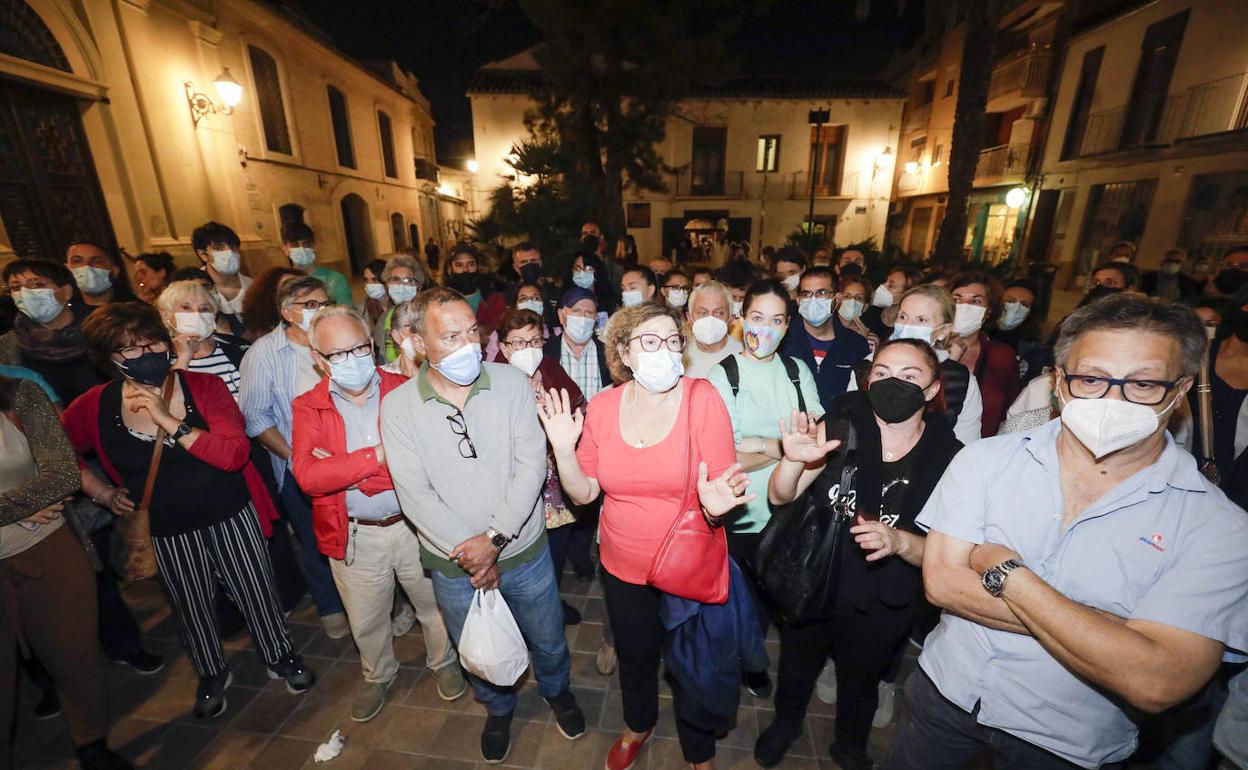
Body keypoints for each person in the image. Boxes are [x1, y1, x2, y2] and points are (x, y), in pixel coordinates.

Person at [886, 293, 1248, 770]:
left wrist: (1007, 572)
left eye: (1142, 384)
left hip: (1069, 741)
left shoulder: (1217, 526)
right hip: (945, 697)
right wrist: (1113, 634)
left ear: (1180, 391)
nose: (1111, 399)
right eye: (1091, 379)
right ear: (1059, 382)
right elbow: (944, 584)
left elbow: (1156, 680)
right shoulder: (986, 461)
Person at [64, 303, 315, 720]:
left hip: (230, 514)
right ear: (107, 358)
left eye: (154, 343)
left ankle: (279, 653)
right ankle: (211, 671)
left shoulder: (204, 388)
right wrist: (102, 492)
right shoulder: (94, 404)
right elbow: (58, 452)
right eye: (130, 349)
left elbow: (234, 454)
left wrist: (169, 421)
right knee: (190, 602)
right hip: (164, 528)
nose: (147, 354)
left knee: (256, 589)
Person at [537, 301, 753, 770]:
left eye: (673, 341)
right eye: (650, 342)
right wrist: (562, 449)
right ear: (624, 353)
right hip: (623, 565)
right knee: (635, 657)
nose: (665, 351)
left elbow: (720, 480)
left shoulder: (702, 398)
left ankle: (699, 750)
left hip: (689, 563)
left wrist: (718, 508)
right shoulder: (603, 406)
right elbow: (585, 492)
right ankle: (639, 724)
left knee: (692, 664)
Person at [380, 288, 585, 763]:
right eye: (450, 336)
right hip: (455, 564)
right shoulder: (399, 407)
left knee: (549, 638)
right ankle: (498, 709)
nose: (468, 345)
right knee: (477, 648)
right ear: (416, 342)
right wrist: (469, 550)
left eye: (472, 331)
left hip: (524, 553)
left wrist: (493, 541)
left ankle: (558, 693)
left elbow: (531, 465)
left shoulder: (511, 382)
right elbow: (414, 494)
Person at [756, 339, 962, 770]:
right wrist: (792, 461)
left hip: (886, 593)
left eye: (910, 376)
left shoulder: (952, 458)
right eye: (883, 373)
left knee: (862, 680)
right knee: (797, 665)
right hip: (817, 575)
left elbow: (947, 555)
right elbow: (781, 495)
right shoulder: (838, 424)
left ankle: (849, 744)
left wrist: (900, 542)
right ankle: (786, 724)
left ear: (931, 389)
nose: (893, 383)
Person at [291, 306, 464, 721]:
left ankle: (444, 663)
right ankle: (378, 674)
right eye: (337, 354)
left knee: (434, 605)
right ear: (319, 360)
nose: (350, 360)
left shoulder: (406, 389)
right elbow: (309, 477)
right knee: (367, 619)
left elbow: (432, 462)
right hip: (354, 534)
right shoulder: (308, 407)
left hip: (414, 526)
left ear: (371, 346)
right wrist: (379, 456)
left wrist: (347, 468)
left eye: (358, 348)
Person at [0, 376, 131, 770]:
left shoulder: (19, 394)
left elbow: (62, 475)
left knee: (75, 655)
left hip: (47, 549)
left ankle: (92, 744)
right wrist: (15, 505)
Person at [708, 279, 823, 698]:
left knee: (782, 597)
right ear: (741, 320)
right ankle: (745, 663)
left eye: (776, 320)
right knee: (742, 604)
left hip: (789, 511)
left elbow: (816, 438)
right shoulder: (723, 376)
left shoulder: (797, 371)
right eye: (757, 318)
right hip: (740, 513)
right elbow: (724, 458)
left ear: (788, 325)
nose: (765, 329)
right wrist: (780, 447)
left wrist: (755, 445)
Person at [239, 276, 348, 637]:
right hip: (298, 467)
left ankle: (372, 603)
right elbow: (256, 418)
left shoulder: (336, 338)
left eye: (325, 302)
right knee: (315, 540)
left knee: (359, 536)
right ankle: (330, 606)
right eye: (312, 304)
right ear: (287, 312)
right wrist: (296, 459)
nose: (322, 310)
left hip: (350, 461)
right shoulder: (263, 355)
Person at [493, 308, 587, 625]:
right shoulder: (492, 380)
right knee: (522, 556)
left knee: (555, 552)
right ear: (504, 347)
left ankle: (551, 605)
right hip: (515, 485)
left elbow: (577, 404)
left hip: (555, 485)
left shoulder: (550, 369)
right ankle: (521, 618)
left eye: (534, 341)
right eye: (518, 343)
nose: (528, 349)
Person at [883, 285, 983, 445]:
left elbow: (966, 445)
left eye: (921, 320)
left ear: (944, 331)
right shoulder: (868, 367)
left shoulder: (962, 380)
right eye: (902, 317)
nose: (908, 325)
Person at [1, 259, 106, 404]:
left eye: (37, 285)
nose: (25, 293)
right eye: (16, 287)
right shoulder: (7, 347)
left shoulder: (101, 330)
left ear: (66, 291)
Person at [783, 267, 871, 409]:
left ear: (837, 300)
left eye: (821, 293)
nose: (813, 299)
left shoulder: (856, 345)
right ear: (798, 300)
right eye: (806, 294)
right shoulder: (783, 341)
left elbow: (862, 399)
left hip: (838, 428)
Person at [949, 272, 1020, 437]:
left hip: (979, 452)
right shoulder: (926, 350)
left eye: (976, 301)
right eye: (957, 299)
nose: (965, 307)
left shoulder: (1002, 357)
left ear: (988, 311)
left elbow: (1010, 411)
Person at [156, 280, 249, 398]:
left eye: (204, 309)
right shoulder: (160, 361)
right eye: (186, 307)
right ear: (165, 314)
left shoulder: (238, 348)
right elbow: (168, 401)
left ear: (214, 316)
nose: (196, 314)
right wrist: (184, 358)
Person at [192, 222, 251, 335]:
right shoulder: (193, 288)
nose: (229, 252)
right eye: (218, 248)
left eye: (233, 247)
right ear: (203, 254)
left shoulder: (254, 286)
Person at [442, 243, 506, 339]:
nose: (465, 270)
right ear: (450, 269)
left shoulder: (493, 297)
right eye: (459, 265)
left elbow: (499, 328)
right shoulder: (441, 301)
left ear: (478, 267)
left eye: (471, 264)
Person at [281, 221, 352, 305]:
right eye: (295, 245)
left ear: (314, 247)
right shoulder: (283, 282)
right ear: (285, 249)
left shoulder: (335, 279)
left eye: (306, 245)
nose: (302, 249)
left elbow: (345, 313)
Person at [684, 281, 742, 379]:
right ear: (689, 318)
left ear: (731, 319)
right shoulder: (679, 354)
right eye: (703, 313)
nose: (710, 319)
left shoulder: (741, 356)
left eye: (719, 313)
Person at [378, 254, 428, 362]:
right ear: (387, 284)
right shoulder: (385, 318)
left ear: (418, 286)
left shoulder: (428, 313)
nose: (401, 285)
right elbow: (382, 357)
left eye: (408, 280)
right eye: (395, 280)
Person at [66, 242, 138, 310]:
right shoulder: (66, 315)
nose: (87, 266)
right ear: (67, 269)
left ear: (114, 271)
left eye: (97, 261)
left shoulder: (137, 310)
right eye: (77, 261)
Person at [240, 266, 302, 341]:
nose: (299, 292)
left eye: (302, 285)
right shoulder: (255, 339)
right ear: (270, 295)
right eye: (289, 287)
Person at [863, 267, 922, 342]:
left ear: (907, 294)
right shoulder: (868, 312)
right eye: (885, 281)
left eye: (891, 286)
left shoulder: (907, 328)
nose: (883, 286)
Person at [991, 279, 1041, 354]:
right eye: (1010, 301)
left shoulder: (1031, 346)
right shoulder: (977, 333)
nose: (1016, 308)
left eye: (1024, 304)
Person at [837, 273, 880, 351]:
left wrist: (861, 340)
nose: (852, 301)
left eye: (859, 298)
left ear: (865, 307)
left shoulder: (871, 340)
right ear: (838, 300)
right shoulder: (823, 331)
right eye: (847, 296)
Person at [356, 258, 391, 331]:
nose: (369, 284)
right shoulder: (363, 308)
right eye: (366, 280)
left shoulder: (398, 304)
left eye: (374, 280)